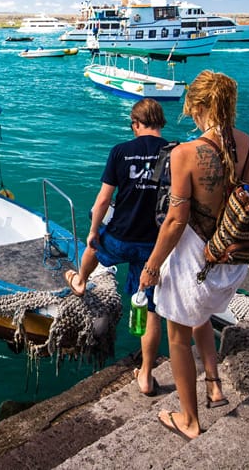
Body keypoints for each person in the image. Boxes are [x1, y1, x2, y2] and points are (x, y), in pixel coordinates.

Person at [139, 70, 249, 441]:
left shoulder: (185, 154)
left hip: (195, 266)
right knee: (201, 318)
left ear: (197, 106)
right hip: (233, 265)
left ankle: (190, 420)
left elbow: (175, 220)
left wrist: (151, 267)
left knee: (178, 337)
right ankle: (214, 385)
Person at [64, 98, 169, 396]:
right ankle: (146, 377)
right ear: (160, 122)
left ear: (135, 124)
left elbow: (102, 201)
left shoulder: (121, 152)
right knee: (150, 311)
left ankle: (81, 281)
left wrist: (93, 230)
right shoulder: (176, 153)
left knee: (95, 247)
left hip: (121, 236)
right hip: (154, 245)